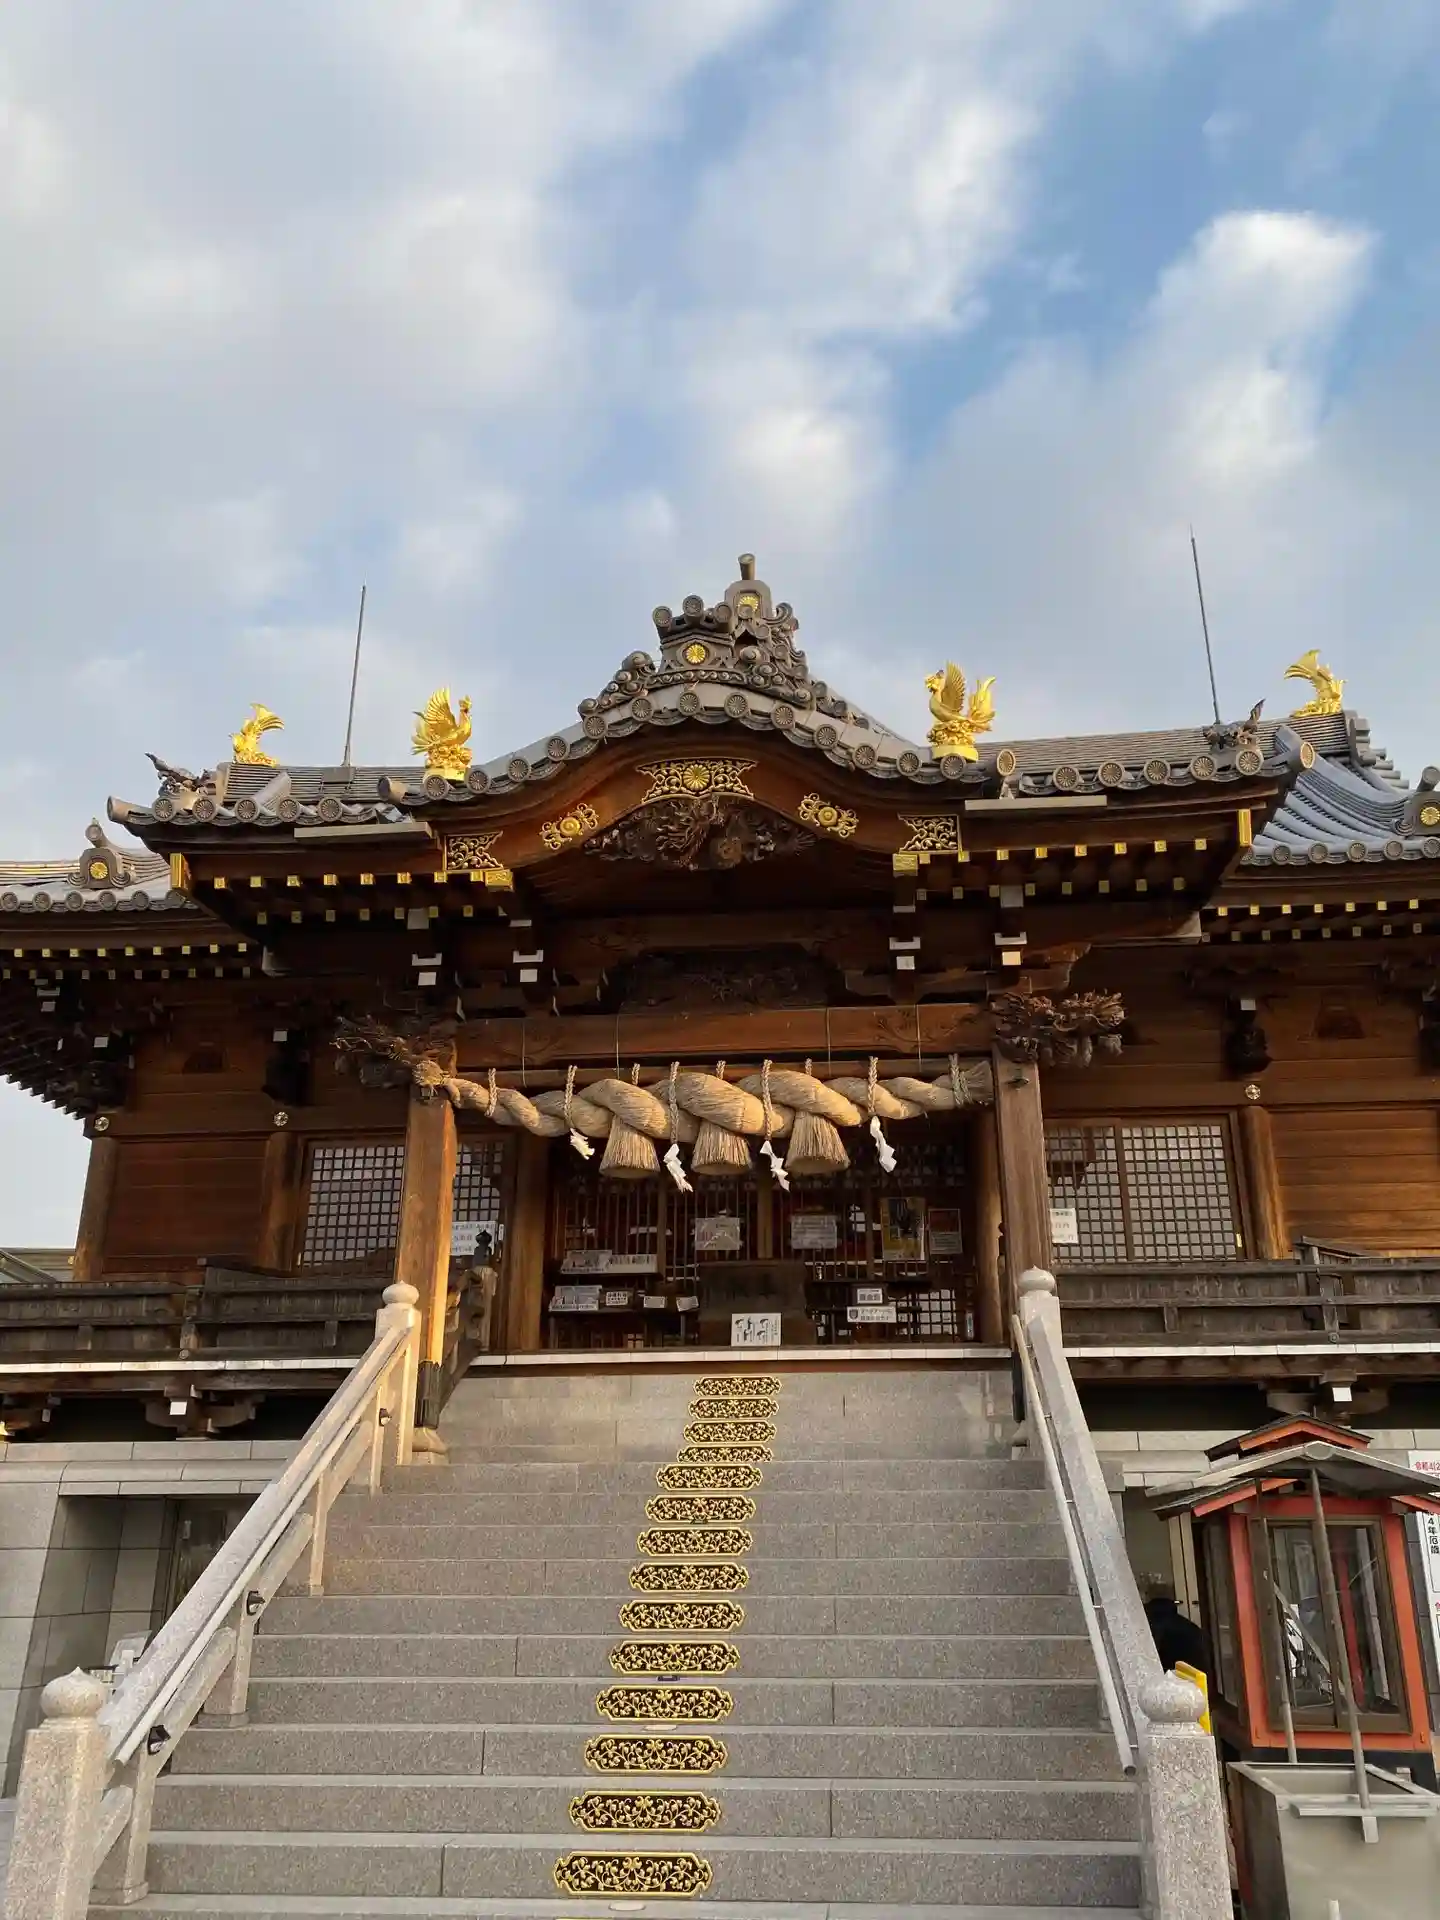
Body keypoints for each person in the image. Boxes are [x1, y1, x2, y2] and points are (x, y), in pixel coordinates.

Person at [1145, 1594, 1206, 1673]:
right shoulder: (1187, 1624)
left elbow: (1155, 1653)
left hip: (1176, 1670)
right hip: (1197, 1669)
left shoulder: (1157, 1625)